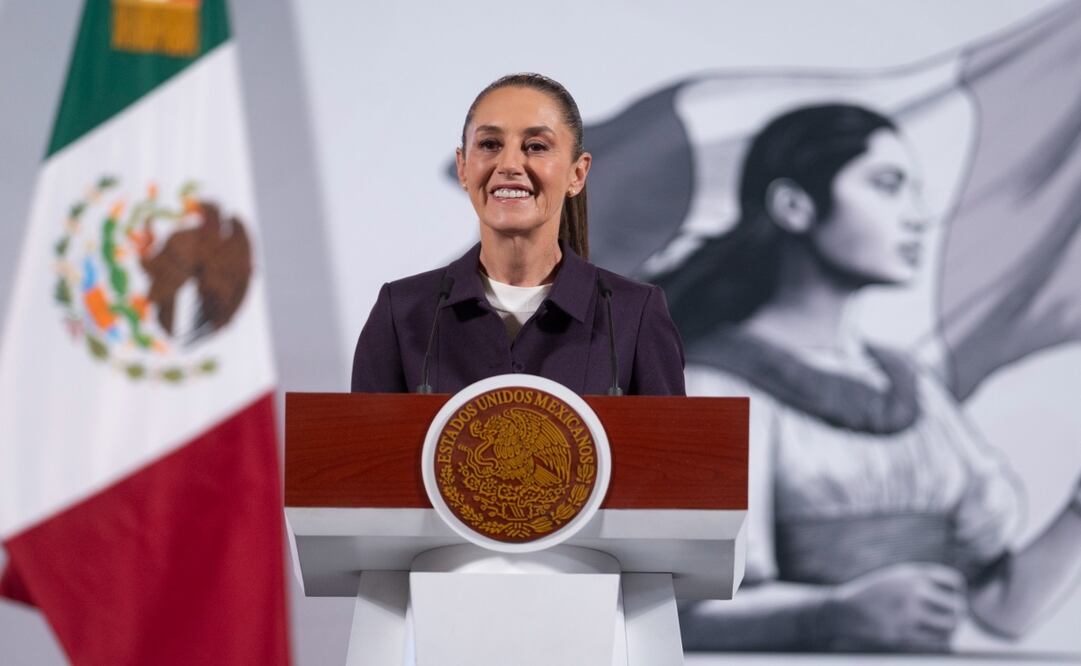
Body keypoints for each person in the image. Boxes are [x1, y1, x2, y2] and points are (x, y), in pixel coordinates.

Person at [649, 104, 1081, 651]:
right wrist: (832, 614)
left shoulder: (915, 388)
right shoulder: (710, 387)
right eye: (888, 185)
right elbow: (679, 614)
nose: (918, 216)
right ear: (794, 206)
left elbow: (1002, 612)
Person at [351, 73, 685, 397]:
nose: (509, 163)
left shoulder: (633, 314)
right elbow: (363, 450)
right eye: (489, 144)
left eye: (536, 146)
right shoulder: (402, 311)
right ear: (463, 167)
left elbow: (672, 451)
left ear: (578, 173)